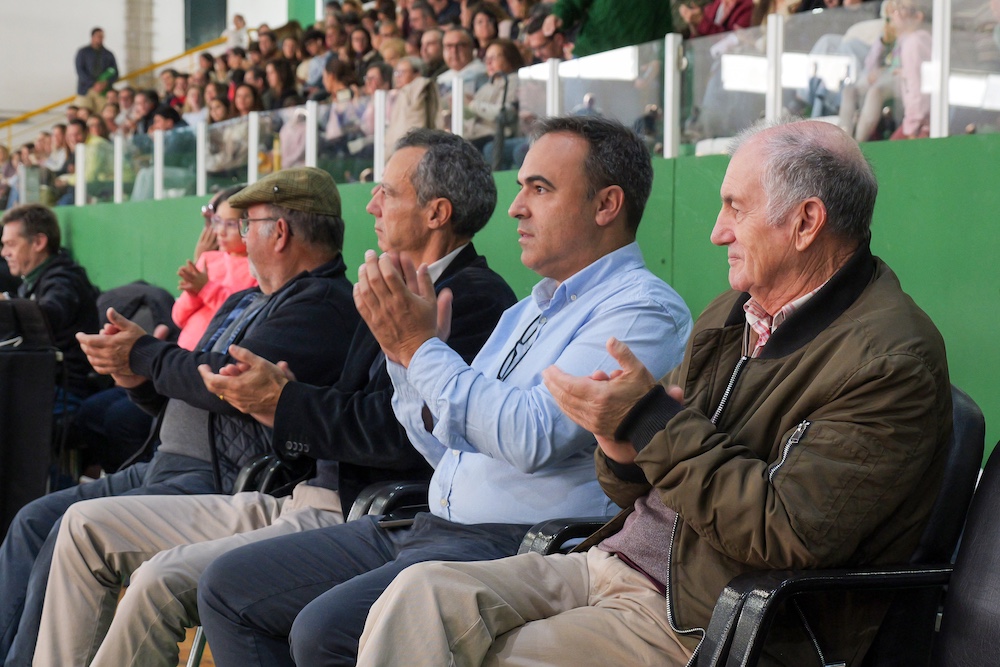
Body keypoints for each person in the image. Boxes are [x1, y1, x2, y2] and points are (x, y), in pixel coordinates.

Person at [355, 119, 953, 667]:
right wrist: (619, 443)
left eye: (734, 209)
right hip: (610, 561)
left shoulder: (890, 361)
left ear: (805, 222)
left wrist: (649, 422)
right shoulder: (735, 313)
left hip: (706, 615)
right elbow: (644, 482)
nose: (718, 233)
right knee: (420, 596)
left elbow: (786, 533)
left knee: (484, 656)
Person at [195, 115, 693, 667]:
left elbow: (533, 435)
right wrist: (404, 361)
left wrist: (418, 348)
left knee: (325, 631)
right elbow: (446, 450)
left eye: (540, 188)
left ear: (606, 205)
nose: (516, 207)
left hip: (515, 542)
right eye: (522, 186)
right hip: (428, 523)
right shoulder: (532, 307)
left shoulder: (643, 308)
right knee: (229, 586)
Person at [30, 130, 517, 667]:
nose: (372, 204)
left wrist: (281, 402)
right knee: (79, 527)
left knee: (171, 582)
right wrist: (270, 401)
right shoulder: (386, 284)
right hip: (301, 491)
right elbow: (338, 407)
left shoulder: (471, 299)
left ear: (436, 213)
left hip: (360, 509)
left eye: (387, 192)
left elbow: (398, 435)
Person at [0, 167, 360, 667]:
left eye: (245, 223)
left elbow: (224, 383)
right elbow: (188, 390)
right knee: (32, 520)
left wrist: (144, 354)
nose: (230, 234)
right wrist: (138, 381)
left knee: (65, 527)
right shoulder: (245, 299)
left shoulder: (321, 304)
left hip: (219, 479)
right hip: (165, 463)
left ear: (278, 233)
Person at [0, 204, 99, 402]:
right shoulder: (30, 282)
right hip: (39, 381)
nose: (4, 252)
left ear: (38, 242)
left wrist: (6, 302)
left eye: (11, 244)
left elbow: (49, 315)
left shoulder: (64, 279)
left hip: (66, 389)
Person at [172, 185, 257, 351]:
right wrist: (193, 294)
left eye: (231, 225)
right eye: (217, 222)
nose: (220, 232)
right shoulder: (208, 259)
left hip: (218, 356)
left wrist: (206, 289)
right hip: (184, 352)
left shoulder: (255, 268)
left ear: (249, 225)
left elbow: (241, 315)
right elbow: (178, 318)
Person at [75, 27, 118, 97]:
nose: (100, 38)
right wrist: (94, 83)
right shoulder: (83, 52)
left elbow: (115, 72)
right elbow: (80, 71)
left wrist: (105, 83)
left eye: (102, 37)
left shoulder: (108, 54)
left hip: (104, 91)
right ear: (92, 37)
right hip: (85, 90)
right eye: (98, 36)